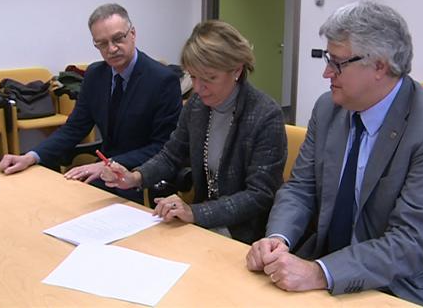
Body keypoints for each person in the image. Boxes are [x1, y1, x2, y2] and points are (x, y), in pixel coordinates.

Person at [246, 0, 423, 307]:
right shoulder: (328, 109)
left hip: (409, 282)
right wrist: (278, 239)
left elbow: (413, 241)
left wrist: (320, 273)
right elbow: (301, 188)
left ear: (380, 65)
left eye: (337, 62)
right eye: (328, 59)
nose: (327, 72)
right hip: (330, 260)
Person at [101, 20, 287, 244]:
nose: (198, 88)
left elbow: (259, 196)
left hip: (245, 235)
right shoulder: (197, 105)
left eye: (209, 78)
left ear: (236, 69)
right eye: (193, 77)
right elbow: (172, 155)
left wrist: (196, 213)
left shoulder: (265, 115)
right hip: (202, 224)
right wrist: (135, 177)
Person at [0, 3, 182, 204]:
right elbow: (74, 129)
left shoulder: (163, 80)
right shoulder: (95, 75)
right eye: (102, 43)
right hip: (105, 170)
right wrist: (31, 156)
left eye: (118, 38)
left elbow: (162, 147)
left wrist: (110, 165)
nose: (111, 49)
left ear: (133, 34)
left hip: (143, 176)